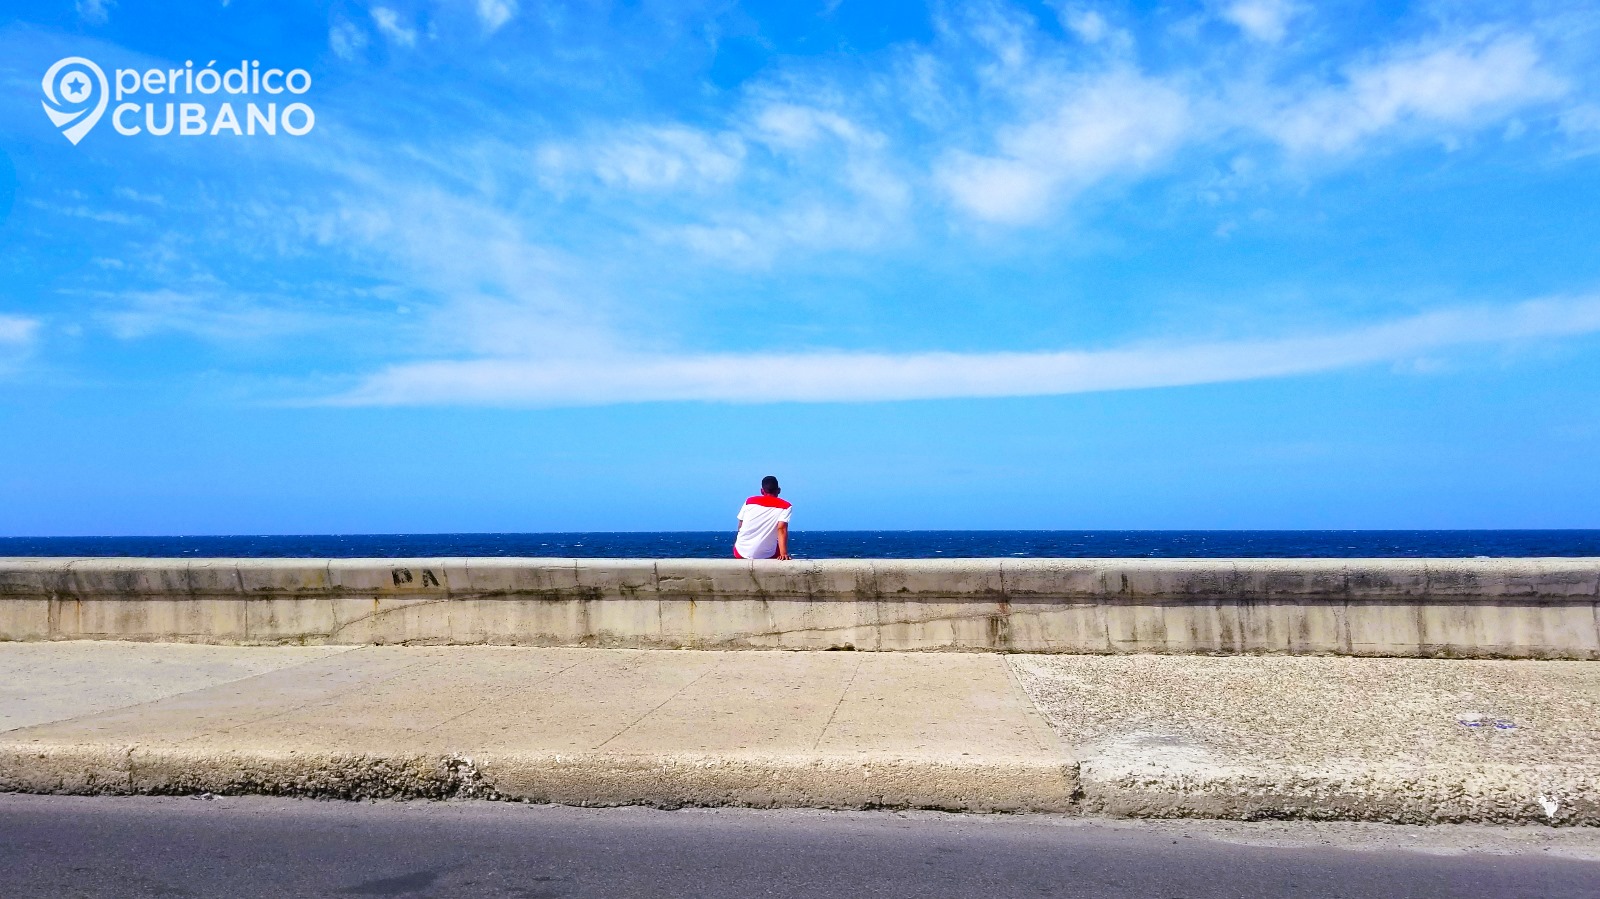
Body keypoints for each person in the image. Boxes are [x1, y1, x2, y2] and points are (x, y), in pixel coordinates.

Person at [733, 475, 791, 560]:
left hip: (740, 552)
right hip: (767, 555)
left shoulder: (749, 501)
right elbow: (781, 529)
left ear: (762, 491)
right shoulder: (786, 506)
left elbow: (740, 525)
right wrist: (783, 553)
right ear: (779, 490)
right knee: (777, 547)